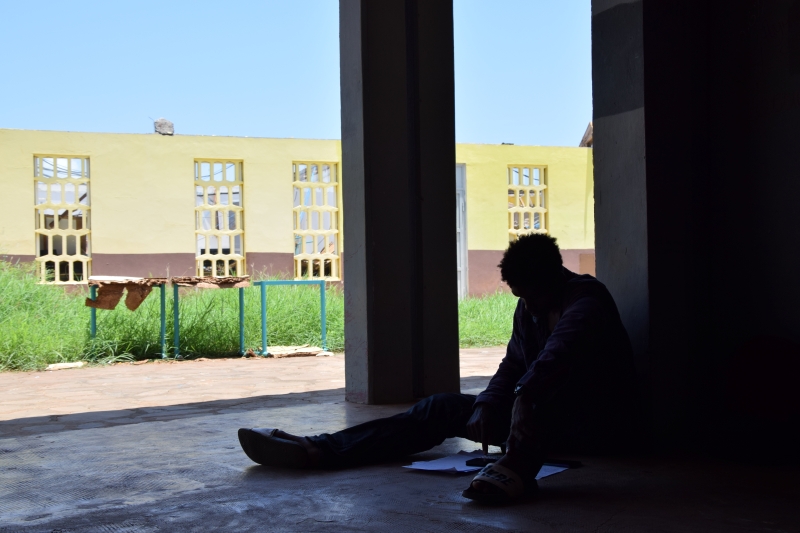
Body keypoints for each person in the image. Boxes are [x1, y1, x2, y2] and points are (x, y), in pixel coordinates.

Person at [238, 234, 638, 503]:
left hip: (592, 426)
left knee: (537, 394)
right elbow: (514, 363)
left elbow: (553, 362)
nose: (527, 304)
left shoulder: (587, 302)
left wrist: (520, 398)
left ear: (555, 276)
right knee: (440, 407)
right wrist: (488, 402)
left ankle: (516, 471)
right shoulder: (529, 308)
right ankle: (317, 450)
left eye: (530, 294)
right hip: (532, 419)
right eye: (519, 295)